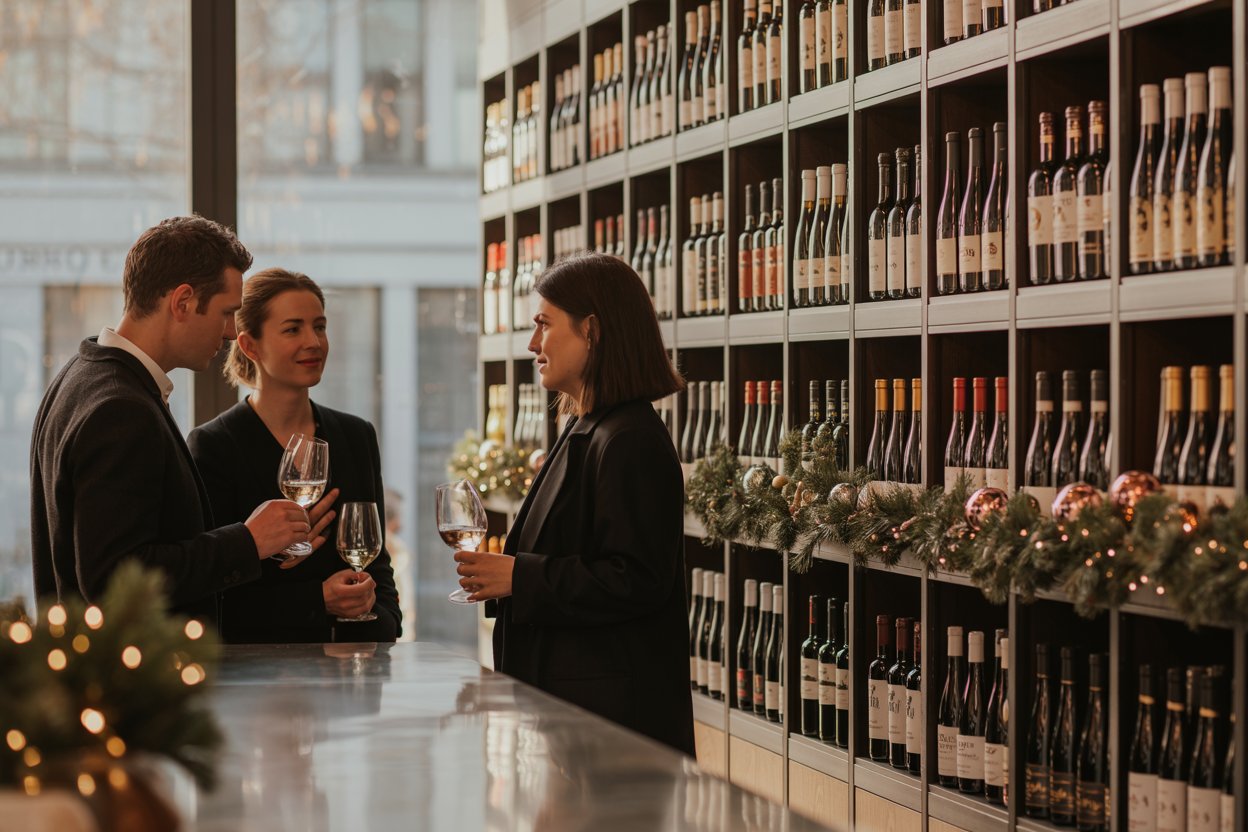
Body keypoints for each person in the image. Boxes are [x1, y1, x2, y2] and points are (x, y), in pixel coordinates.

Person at [454, 251, 693, 755]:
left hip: (611, 726)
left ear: (592, 330)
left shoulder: (629, 438)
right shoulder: (587, 425)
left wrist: (518, 577)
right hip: (576, 715)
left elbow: (637, 580)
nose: (533, 344)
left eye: (544, 324)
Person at [30, 216, 318, 624]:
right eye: (226, 313)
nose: (231, 334)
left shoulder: (79, 373)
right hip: (132, 664)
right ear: (182, 302)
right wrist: (247, 541)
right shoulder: (120, 408)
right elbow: (113, 582)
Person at [188, 268, 401, 643]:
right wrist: (318, 601)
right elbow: (213, 601)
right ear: (250, 346)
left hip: (354, 665)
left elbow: (377, 566)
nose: (314, 342)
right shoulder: (214, 446)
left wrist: (380, 619)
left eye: (319, 327)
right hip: (258, 671)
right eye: (293, 329)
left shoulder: (356, 436)